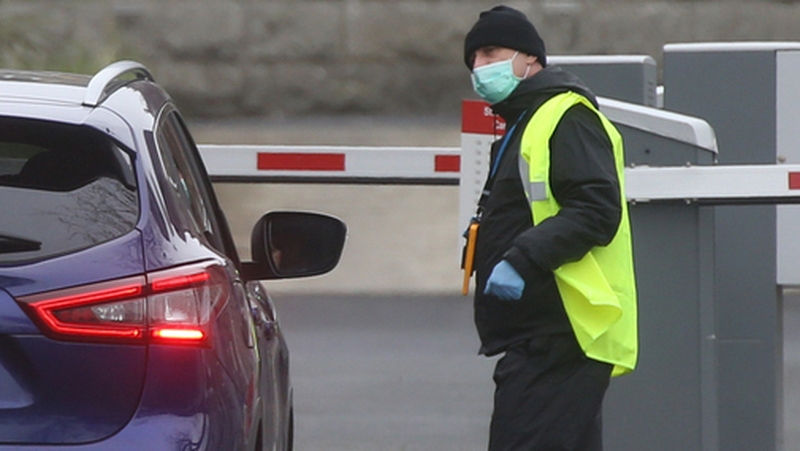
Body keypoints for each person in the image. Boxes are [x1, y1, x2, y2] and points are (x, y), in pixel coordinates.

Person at [462, 5, 638, 451]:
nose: (480, 69)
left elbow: (596, 209)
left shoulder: (565, 115)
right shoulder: (525, 122)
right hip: (542, 334)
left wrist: (521, 261)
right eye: (474, 60)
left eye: (490, 52)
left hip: (562, 332)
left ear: (530, 59)